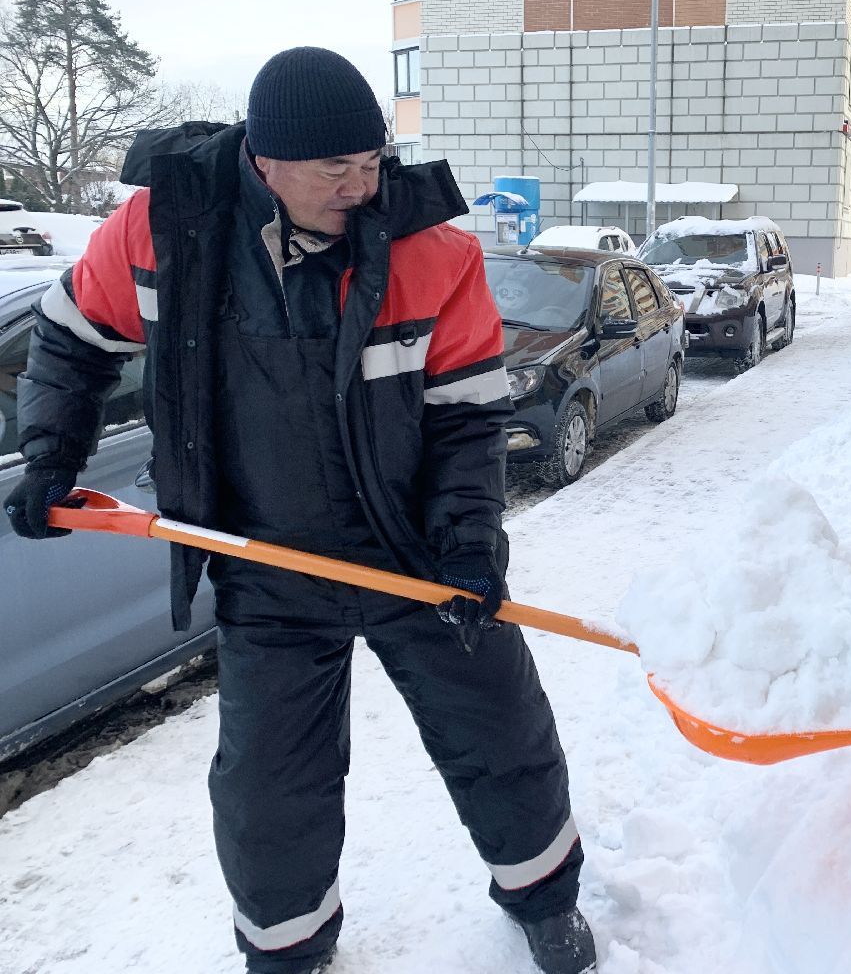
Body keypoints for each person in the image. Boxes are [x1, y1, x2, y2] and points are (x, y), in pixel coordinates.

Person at [3, 48, 593, 974]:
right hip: (263, 561)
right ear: (264, 161)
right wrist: (50, 458)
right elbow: (70, 338)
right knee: (272, 790)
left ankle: (543, 897)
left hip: (415, 555)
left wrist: (470, 545)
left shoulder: (430, 249)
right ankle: (287, 952)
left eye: (373, 164)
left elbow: (470, 418)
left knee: (501, 735)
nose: (363, 188)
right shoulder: (165, 232)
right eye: (337, 171)